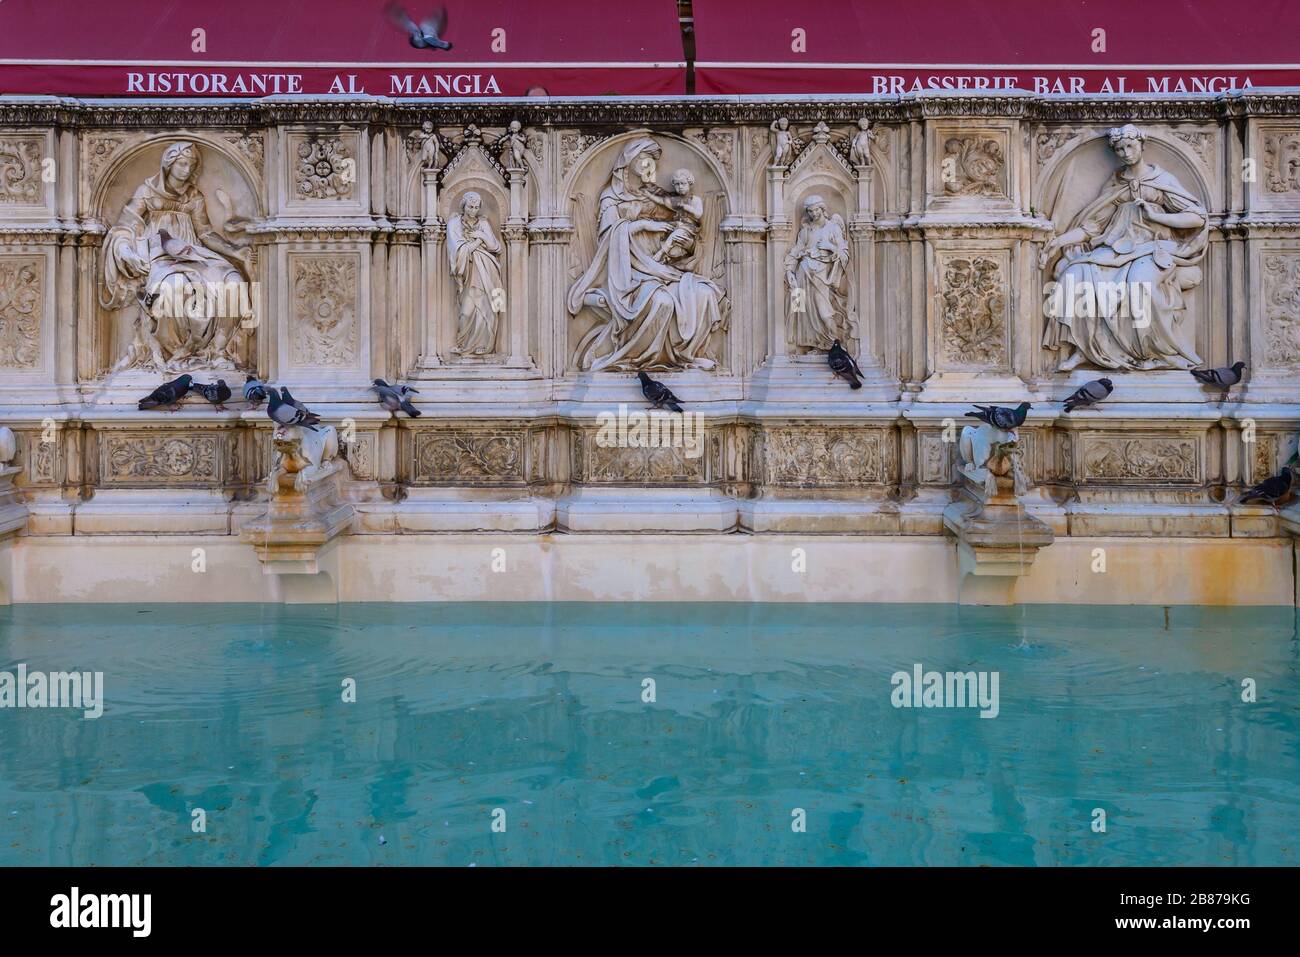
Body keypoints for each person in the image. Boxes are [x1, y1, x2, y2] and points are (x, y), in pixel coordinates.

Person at [1040, 124, 1207, 371]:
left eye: (1130, 146)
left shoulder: (1161, 180)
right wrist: (1058, 242)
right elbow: (1092, 227)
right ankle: (1084, 349)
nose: (1126, 153)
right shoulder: (1116, 183)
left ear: (1142, 145)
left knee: (1139, 284)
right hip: (1115, 248)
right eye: (1119, 149)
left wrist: (1157, 217)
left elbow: (1197, 218)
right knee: (1074, 274)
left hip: (1153, 249)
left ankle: (1156, 352)